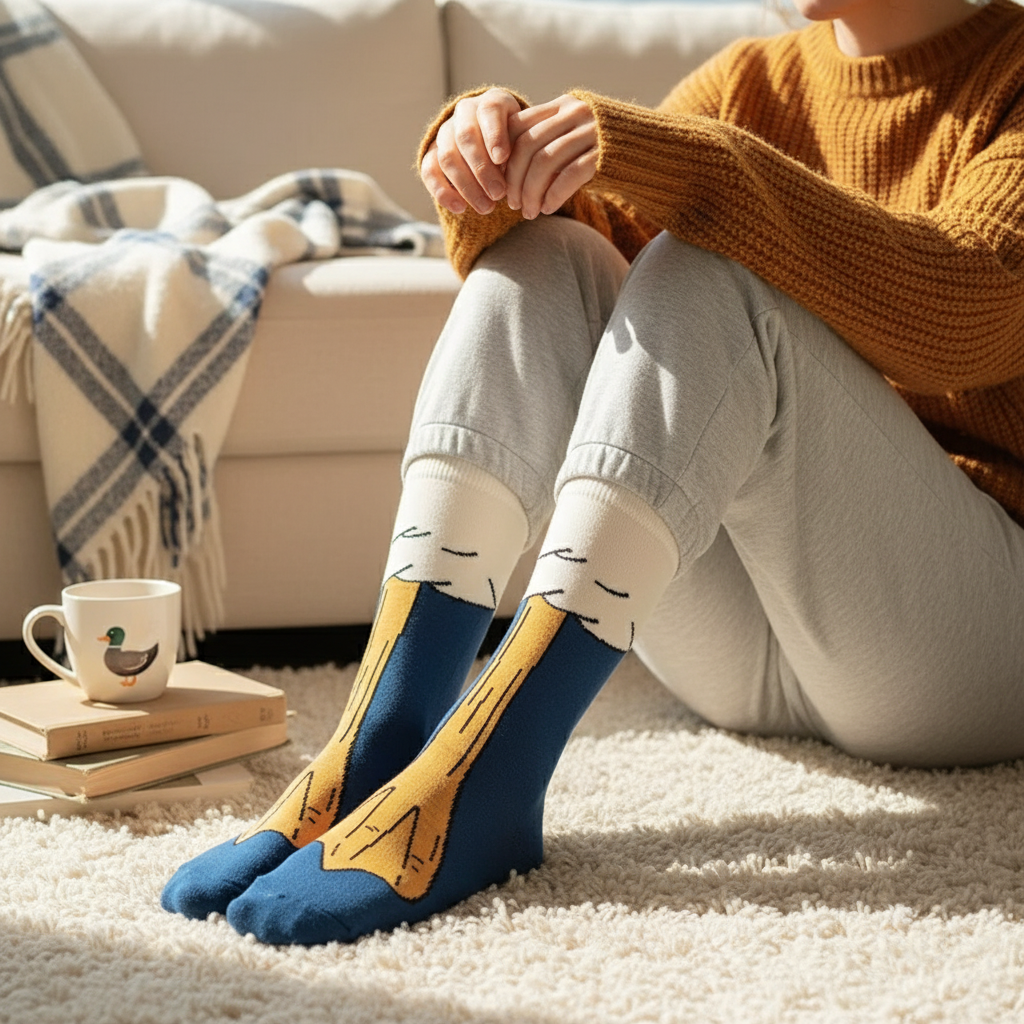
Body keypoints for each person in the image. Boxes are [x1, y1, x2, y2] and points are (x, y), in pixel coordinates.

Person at [161, 0, 1024, 946]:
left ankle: (488, 777)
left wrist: (682, 162)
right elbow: (606, 261)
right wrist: (494, 164)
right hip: (736, 653)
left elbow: (968, 310)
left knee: (712, 271)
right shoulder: (752, 80)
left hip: (963, 647)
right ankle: (377, 742)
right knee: (553, 252)